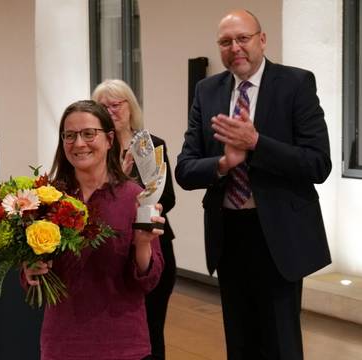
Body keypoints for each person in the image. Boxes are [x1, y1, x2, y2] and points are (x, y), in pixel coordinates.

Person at [175, 9, 331, 360]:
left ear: (262, 40)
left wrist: (257, 143)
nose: (235, 48)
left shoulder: (296, 84)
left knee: (281, 342)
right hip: (229, 233)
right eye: (226, 42)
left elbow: (318, 164)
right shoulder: (207, 90)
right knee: (240, 339)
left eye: (242, 38)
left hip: (279, 234)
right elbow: (184, 169)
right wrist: (223, 163)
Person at [22, 100, 165, 360]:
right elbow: (32, 277)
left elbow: (147, 280)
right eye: (70, 135)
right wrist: (30, 269)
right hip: (62, 342)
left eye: (89, 134)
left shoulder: (134, 196)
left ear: (110, 139)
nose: (79, 143)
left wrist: (143, 243)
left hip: (122, 344)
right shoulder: (48, 197)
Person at [92, 79, 177, 360]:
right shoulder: (94, 150)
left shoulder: (151, 146)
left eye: (117, 104)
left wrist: (136, 196)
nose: (111, 110)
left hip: (151, 246)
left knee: (152, 329)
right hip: (108, 251)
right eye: (104, 106)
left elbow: (170, 199)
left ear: (131, 107)